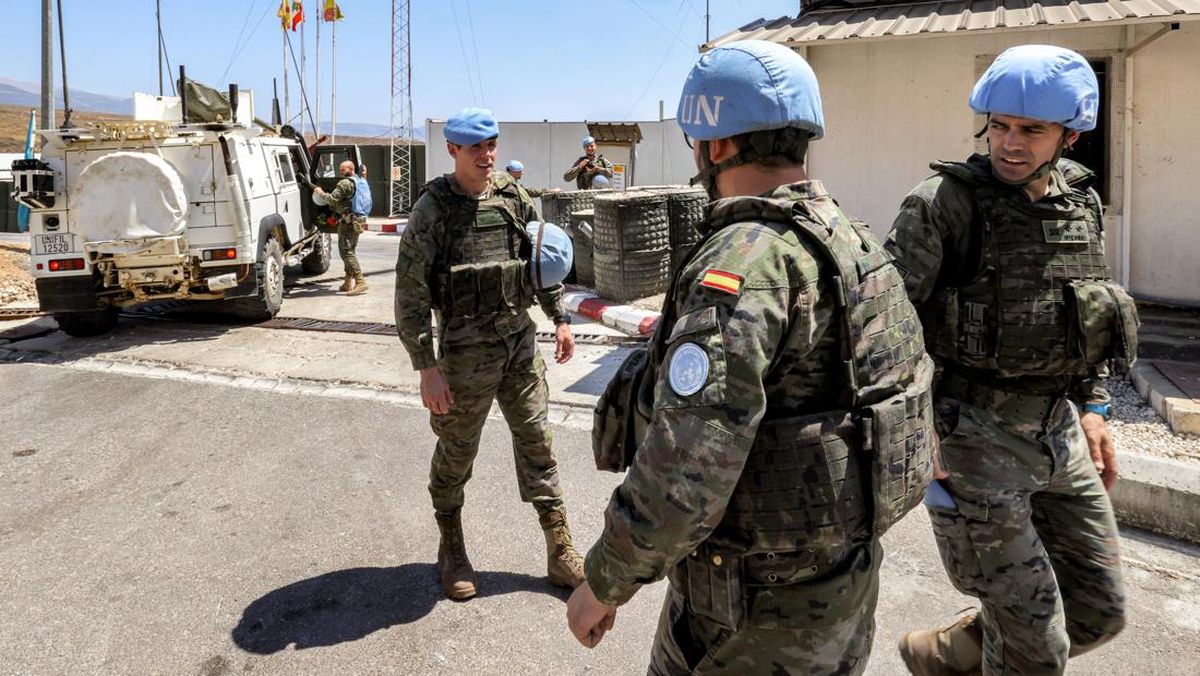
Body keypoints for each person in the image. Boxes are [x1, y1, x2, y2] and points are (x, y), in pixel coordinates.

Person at [567, 40, 935, 674]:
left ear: (714, 147)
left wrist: (604, 581)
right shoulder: (855, 243)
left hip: (747, 615)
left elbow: (688, 465)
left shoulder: (744, 263)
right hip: (843, 595)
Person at [885, 45, 1133, 675]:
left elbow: (1088, 312)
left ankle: (945, 655)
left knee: (1098, 611)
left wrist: (1094, 406)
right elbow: (884, 331)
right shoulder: (943, 204)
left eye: (1032, 130)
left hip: (1058, 435)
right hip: (974, 441)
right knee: (1036, 650)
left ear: (1069, 136)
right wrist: (915, 431)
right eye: (999, 126)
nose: (1010, 144)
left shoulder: (1080, 201)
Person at [393, 107, 586, 601]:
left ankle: (560, 548)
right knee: (456, 451)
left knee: (538, 443)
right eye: (475, 147)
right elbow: (411, 294)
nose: (486, 155)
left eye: (491, 144)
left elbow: (539, 260)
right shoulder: (433, 209)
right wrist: (426, 368)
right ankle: (451, 546)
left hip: (518, 347)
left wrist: (560, 317)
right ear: (452, 150)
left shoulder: (513, 196)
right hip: (463, 356)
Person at [314, 160, 370, 295]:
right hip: (358, 221)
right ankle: (348, 282)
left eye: (343, 170)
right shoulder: (360, 181)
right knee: (350, 251)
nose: (340, 172)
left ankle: (360, 281)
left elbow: (332, 200)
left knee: (346, 252)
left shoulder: (345, 183)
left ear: (351, 169)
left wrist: (320, 192)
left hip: (348, 223)